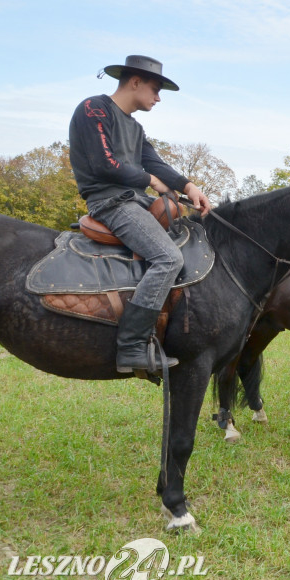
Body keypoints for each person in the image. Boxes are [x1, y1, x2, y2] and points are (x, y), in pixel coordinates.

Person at [69, 55, 211, 375]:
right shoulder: (93, 109)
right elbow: (103, 165)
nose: (158, 97)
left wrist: (190, 187)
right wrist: (150, 182)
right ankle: (131, 346)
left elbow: (155, 163)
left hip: (136, 201)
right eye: (155, 89)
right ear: (134, 82)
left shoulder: (135, 127)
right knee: (168, 258)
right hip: (110, 203)